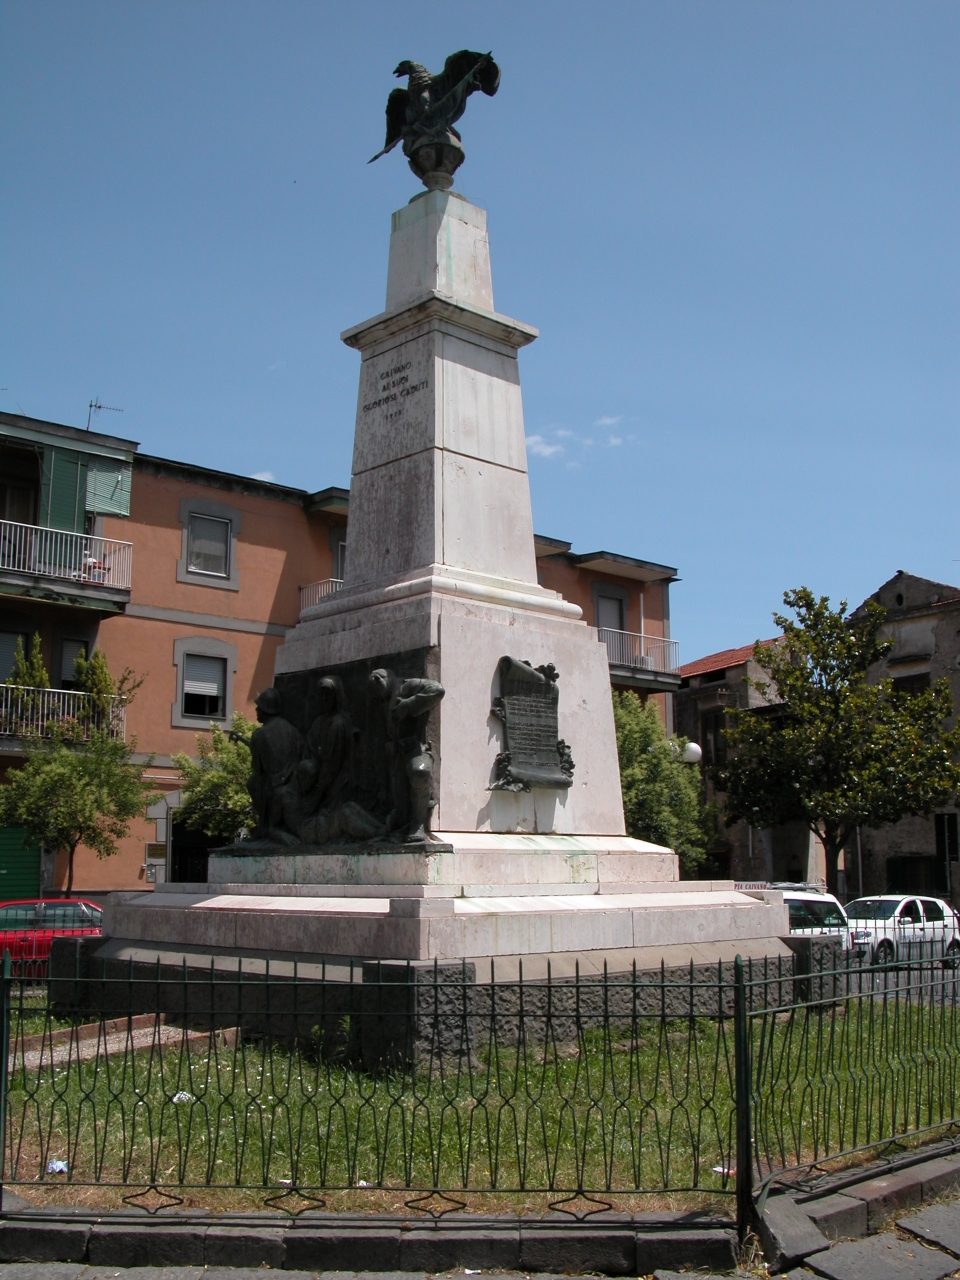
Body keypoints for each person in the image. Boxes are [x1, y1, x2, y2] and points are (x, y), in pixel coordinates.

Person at [368, 668, 445, 843]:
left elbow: (438, 690)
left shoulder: (408, 685)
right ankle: (402, 826)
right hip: (397, 756)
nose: (378, 698)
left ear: (380, 680)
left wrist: (409, 705)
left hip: (415, 749)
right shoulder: (387, 698)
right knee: (401, 811)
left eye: (376, 692)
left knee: (420, 771)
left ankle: (418, 826)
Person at [234, 687, 304, 840]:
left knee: (253, 783)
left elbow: (258, 769)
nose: (257, 709)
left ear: (266, 709)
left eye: (259, 706)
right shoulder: (292, 730)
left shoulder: (259, 735)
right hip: (295, 782)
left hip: (274, 786)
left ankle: (265, 827)